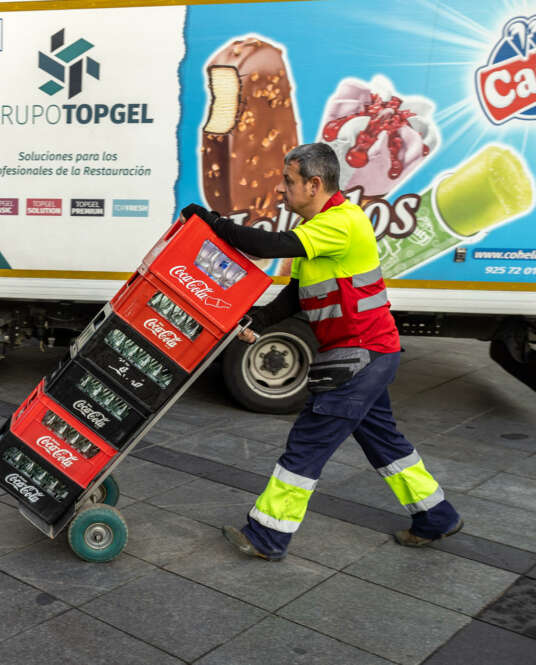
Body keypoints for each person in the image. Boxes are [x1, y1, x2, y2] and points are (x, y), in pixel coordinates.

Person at [180, 142, 462, 561]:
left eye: (288, 181)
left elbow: (266, 245)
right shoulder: (321, 233)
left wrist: (212, 223)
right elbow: (296, 295)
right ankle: (437, 517)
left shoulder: (341, 222)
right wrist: (256, 321)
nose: (280, 189)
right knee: (384, 442)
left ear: (314, 184)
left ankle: (267, 535)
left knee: (308, 442)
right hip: (368, 352)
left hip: (361, 355)